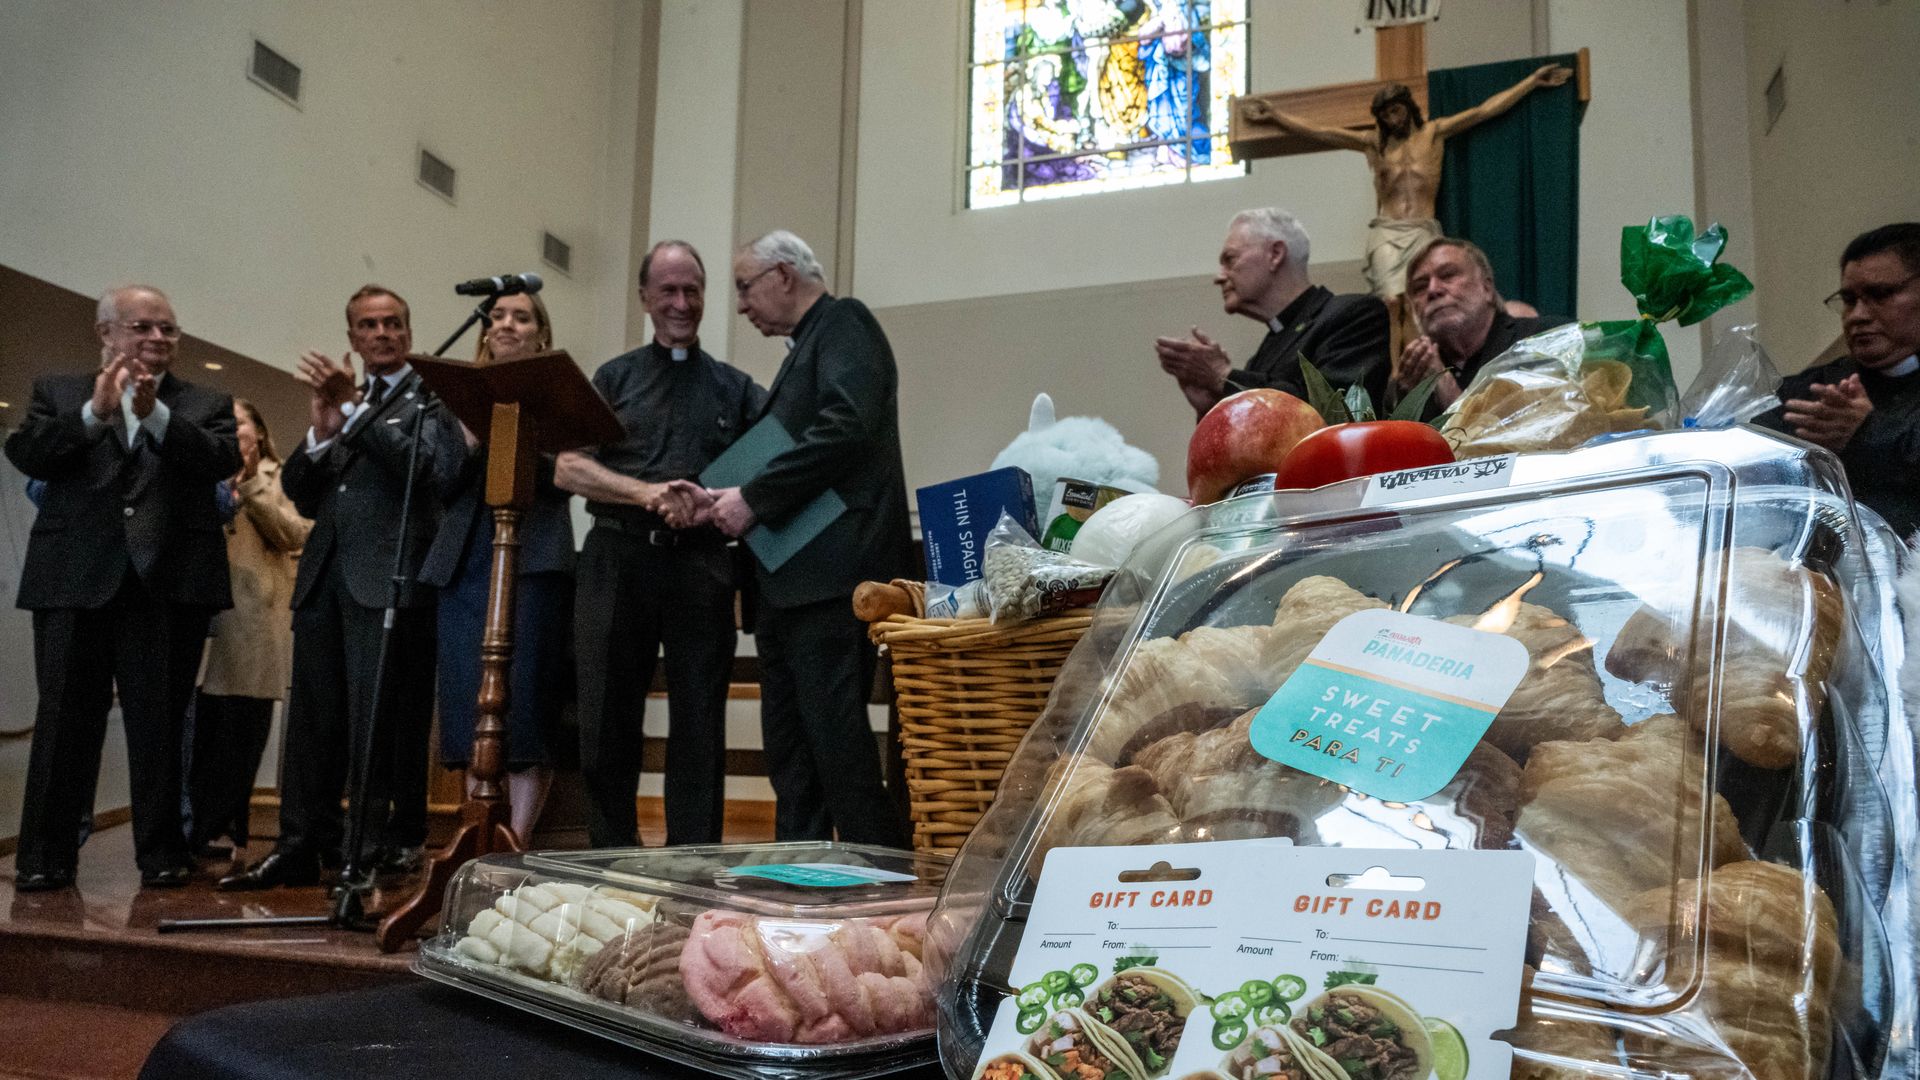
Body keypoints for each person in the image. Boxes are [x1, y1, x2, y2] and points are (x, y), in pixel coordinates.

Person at [7, 285, 240, 891]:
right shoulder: (59, 393)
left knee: (159, 724)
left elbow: (220, 460)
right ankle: (44, 857)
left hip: (168, 585)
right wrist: (95, 414)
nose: (158, 339)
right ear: (105, 332)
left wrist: (155, 413)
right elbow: (28, 452)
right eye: (142, 327)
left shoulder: (205, 401)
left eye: (168, 329)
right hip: (73, 580)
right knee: (63, 723)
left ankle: (162, 854)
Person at [221, 285, 445, 890]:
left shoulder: (432, 397)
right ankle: (298, 843)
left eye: (393, 323)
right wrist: (321, 432)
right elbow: (301, 490)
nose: (382, 334)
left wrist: (352, 413)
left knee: (374, 722)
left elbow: (425, 471)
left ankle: (362, 853)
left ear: (408, 331)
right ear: (352, 338)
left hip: (387, 577)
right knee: (311, 722)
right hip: (324, 578)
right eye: (368, 326)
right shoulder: (345, 403)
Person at [700, 230, 911, 846]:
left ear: (783, 275)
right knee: (792, 747)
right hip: (790, 580)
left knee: (834, 740)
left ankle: (885, 879)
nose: (741, 305)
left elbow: (847, 423)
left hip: (832, 576)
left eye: (745, 286)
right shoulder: (806, 346)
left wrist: (754, 498)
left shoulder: (844, 322)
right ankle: (798, 879)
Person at [555, 240, 764, 847]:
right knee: (606, 721)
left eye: (692, 290)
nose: (681, 302)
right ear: (644, 297)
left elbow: (773, 467)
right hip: (617, 559)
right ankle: (612, 861)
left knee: (700, 723)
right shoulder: (612, 378)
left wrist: (709, 498)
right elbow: (569, 468)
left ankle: (692, 865)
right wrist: (648, 493)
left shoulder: (735, 387)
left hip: (701, 565)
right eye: (668, 290)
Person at [419, 291, 574, 847]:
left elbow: (566, 470)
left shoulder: (562, 400)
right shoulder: (452, 404)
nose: (507, 323)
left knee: (526, 705)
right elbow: (443, 478)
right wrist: (475, 412)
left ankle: (520, 844)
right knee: (467, 703)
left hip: (533, 558)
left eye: (522, 316)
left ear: (542, 335)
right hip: (466, 560)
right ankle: (477, 837)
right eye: (498, 316)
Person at [1239, 66, 1571, 301]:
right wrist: (1275, 116)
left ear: (1408, 108)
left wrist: (1531, 82)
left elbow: (1483, 111)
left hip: (1423, 230)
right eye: (1385, 115)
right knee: (1390, 300)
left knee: (1425, 299)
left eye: (1396, 111)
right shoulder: (1374, 144)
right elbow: (1322, 132)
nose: (1391, 119)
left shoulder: (1433, 133)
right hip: (1387, 231)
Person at [187, 398, 309, 856]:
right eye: (226, 425)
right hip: (200, 618)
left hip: (253, 623)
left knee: (240, 736)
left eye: (241, 423)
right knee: (199, 737)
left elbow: (296, 534)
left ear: (259, 432)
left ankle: (219, 829)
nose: (234, 432)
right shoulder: (199, 472)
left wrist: (253, 481)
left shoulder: (280, 477)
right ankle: (195, 829)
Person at [1755, 223, 1920, 536]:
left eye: (1880, 294)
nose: (1857, 315)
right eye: (1848, 299)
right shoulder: (1818, 388)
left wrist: (1866, 434)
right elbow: (1756, 461)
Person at [1156, 207, 1391, 417]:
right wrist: (1213, 405)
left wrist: (1223, 376)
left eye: (1230, 259)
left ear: (1275, 254)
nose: (1219, 277)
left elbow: (1336, 410)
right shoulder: (1260, 357)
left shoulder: (1353, 315)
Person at [1393, 236, 1573, 419]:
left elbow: (1548, 433)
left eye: (1447, 275)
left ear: (1487, 287)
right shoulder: (1413, 375)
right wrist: (1408, 402)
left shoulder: (1548, 340)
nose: (1433, 290)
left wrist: (1450, 394)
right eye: (1420, 287)